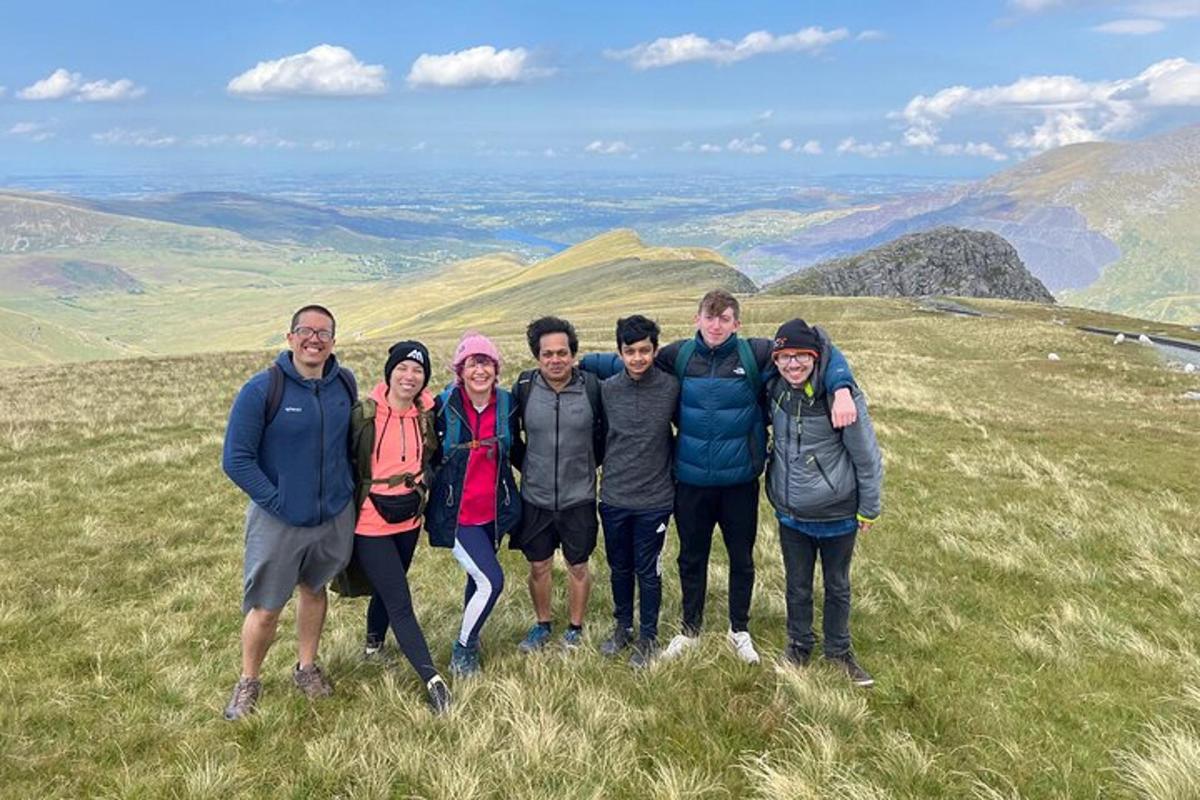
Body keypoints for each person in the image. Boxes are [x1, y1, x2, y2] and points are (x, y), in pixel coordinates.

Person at [581, 289, 857, 664]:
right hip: (691, 482)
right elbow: (629, 362)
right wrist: (572, 362)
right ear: (697, 320)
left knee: (741, 558)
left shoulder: (755, 353)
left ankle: (738, 630)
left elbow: (818, 345)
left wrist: (841, 387)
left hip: (740, 481)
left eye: (724, 318)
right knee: (691, 558)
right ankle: (689, 630)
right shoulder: (677, 356)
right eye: (709, 318)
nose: (716, 325)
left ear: (736, 323)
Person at [220, 304, 357, 721]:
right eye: (305, 331)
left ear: (333, 340)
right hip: (277, 520)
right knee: (266, 606)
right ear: (289, 337)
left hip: (332, 515)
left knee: (314, 591)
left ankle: (307, 667)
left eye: (323, 333)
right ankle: (248, 681)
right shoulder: (262, 390)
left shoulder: (344, 384)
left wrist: (343, 494)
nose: (314, 339)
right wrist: (279, 501)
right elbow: (236, 459)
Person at [764, 319, 882, 687]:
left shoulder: (839, 397)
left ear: (815, 357)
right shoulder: (776, 389)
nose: (792, 364)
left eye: (800, 355)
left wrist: (870, 507)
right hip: (791, 513)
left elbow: (867, 457)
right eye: (784, 357)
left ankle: (839, 651)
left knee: (837, 586)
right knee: (797, 585)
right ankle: (799, 645)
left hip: (837, 513)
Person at [347, 340, 450, 713]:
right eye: (403, 368)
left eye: (418, 371)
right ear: (389, 371)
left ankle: (374, 642)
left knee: (387, 588)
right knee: (400, 599)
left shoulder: (426, 415)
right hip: (370, 521)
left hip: (409, 517)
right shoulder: (364, 414)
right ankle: (433, 680)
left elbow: (436, 454)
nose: (410, 376)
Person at [424, 332, 522, 676]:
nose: (479, 370)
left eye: (486, 363)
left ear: (496, 369)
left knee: (476, 577)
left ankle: (473, 632)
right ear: (460, 370)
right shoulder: (442, 405)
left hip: (493, 514)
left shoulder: (509, 405)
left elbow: (517, 451)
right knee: (492, 581)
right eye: (472, 363)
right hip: (456, 514)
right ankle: (463, 649)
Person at [510, 316, 606, 652]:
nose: (555, 360)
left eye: (562, 353)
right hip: (535, 497)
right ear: (537, 357)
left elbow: (603, 438)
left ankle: (575, 628)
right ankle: (542, 624)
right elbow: (512, 439)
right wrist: (531, 467)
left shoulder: (591, 387)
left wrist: (582, 468)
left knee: (578, 565)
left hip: (578, 496)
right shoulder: (524, 388)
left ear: (573, 354)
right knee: (539, 565)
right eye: (547, 354)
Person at [596, 315, 679, 667]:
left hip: (655, 500)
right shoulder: (607, 389)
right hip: (614, 496)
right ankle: (622, 627)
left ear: (655, 350)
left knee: (648, 570)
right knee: (619, 567)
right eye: (630, 351)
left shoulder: (672, 387)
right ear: (620, 352)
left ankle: (648, 636)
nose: (638, 358)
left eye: (645, 350)